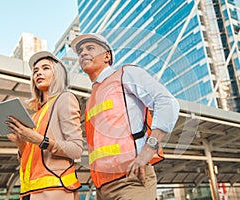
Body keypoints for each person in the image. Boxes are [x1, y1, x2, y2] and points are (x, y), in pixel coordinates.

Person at [71, 33, 180, 200]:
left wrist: (148, 150)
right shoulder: (93, 96)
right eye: (80, 51)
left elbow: (167, 103)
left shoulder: (126, 74)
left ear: (107, 56)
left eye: (90, 48)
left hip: (132, 180)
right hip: (102, 187)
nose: (83, 53)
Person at [6, 51, 83, 200]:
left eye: (45, 68)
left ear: (58, 74)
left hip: (55, 189)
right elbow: (31, 158)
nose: (38, 73)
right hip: (30, 192)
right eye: (35, 71)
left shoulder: (65, 99)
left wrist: (40, 140)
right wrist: (21, 144)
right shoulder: (36, 114)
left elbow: (76, 149)